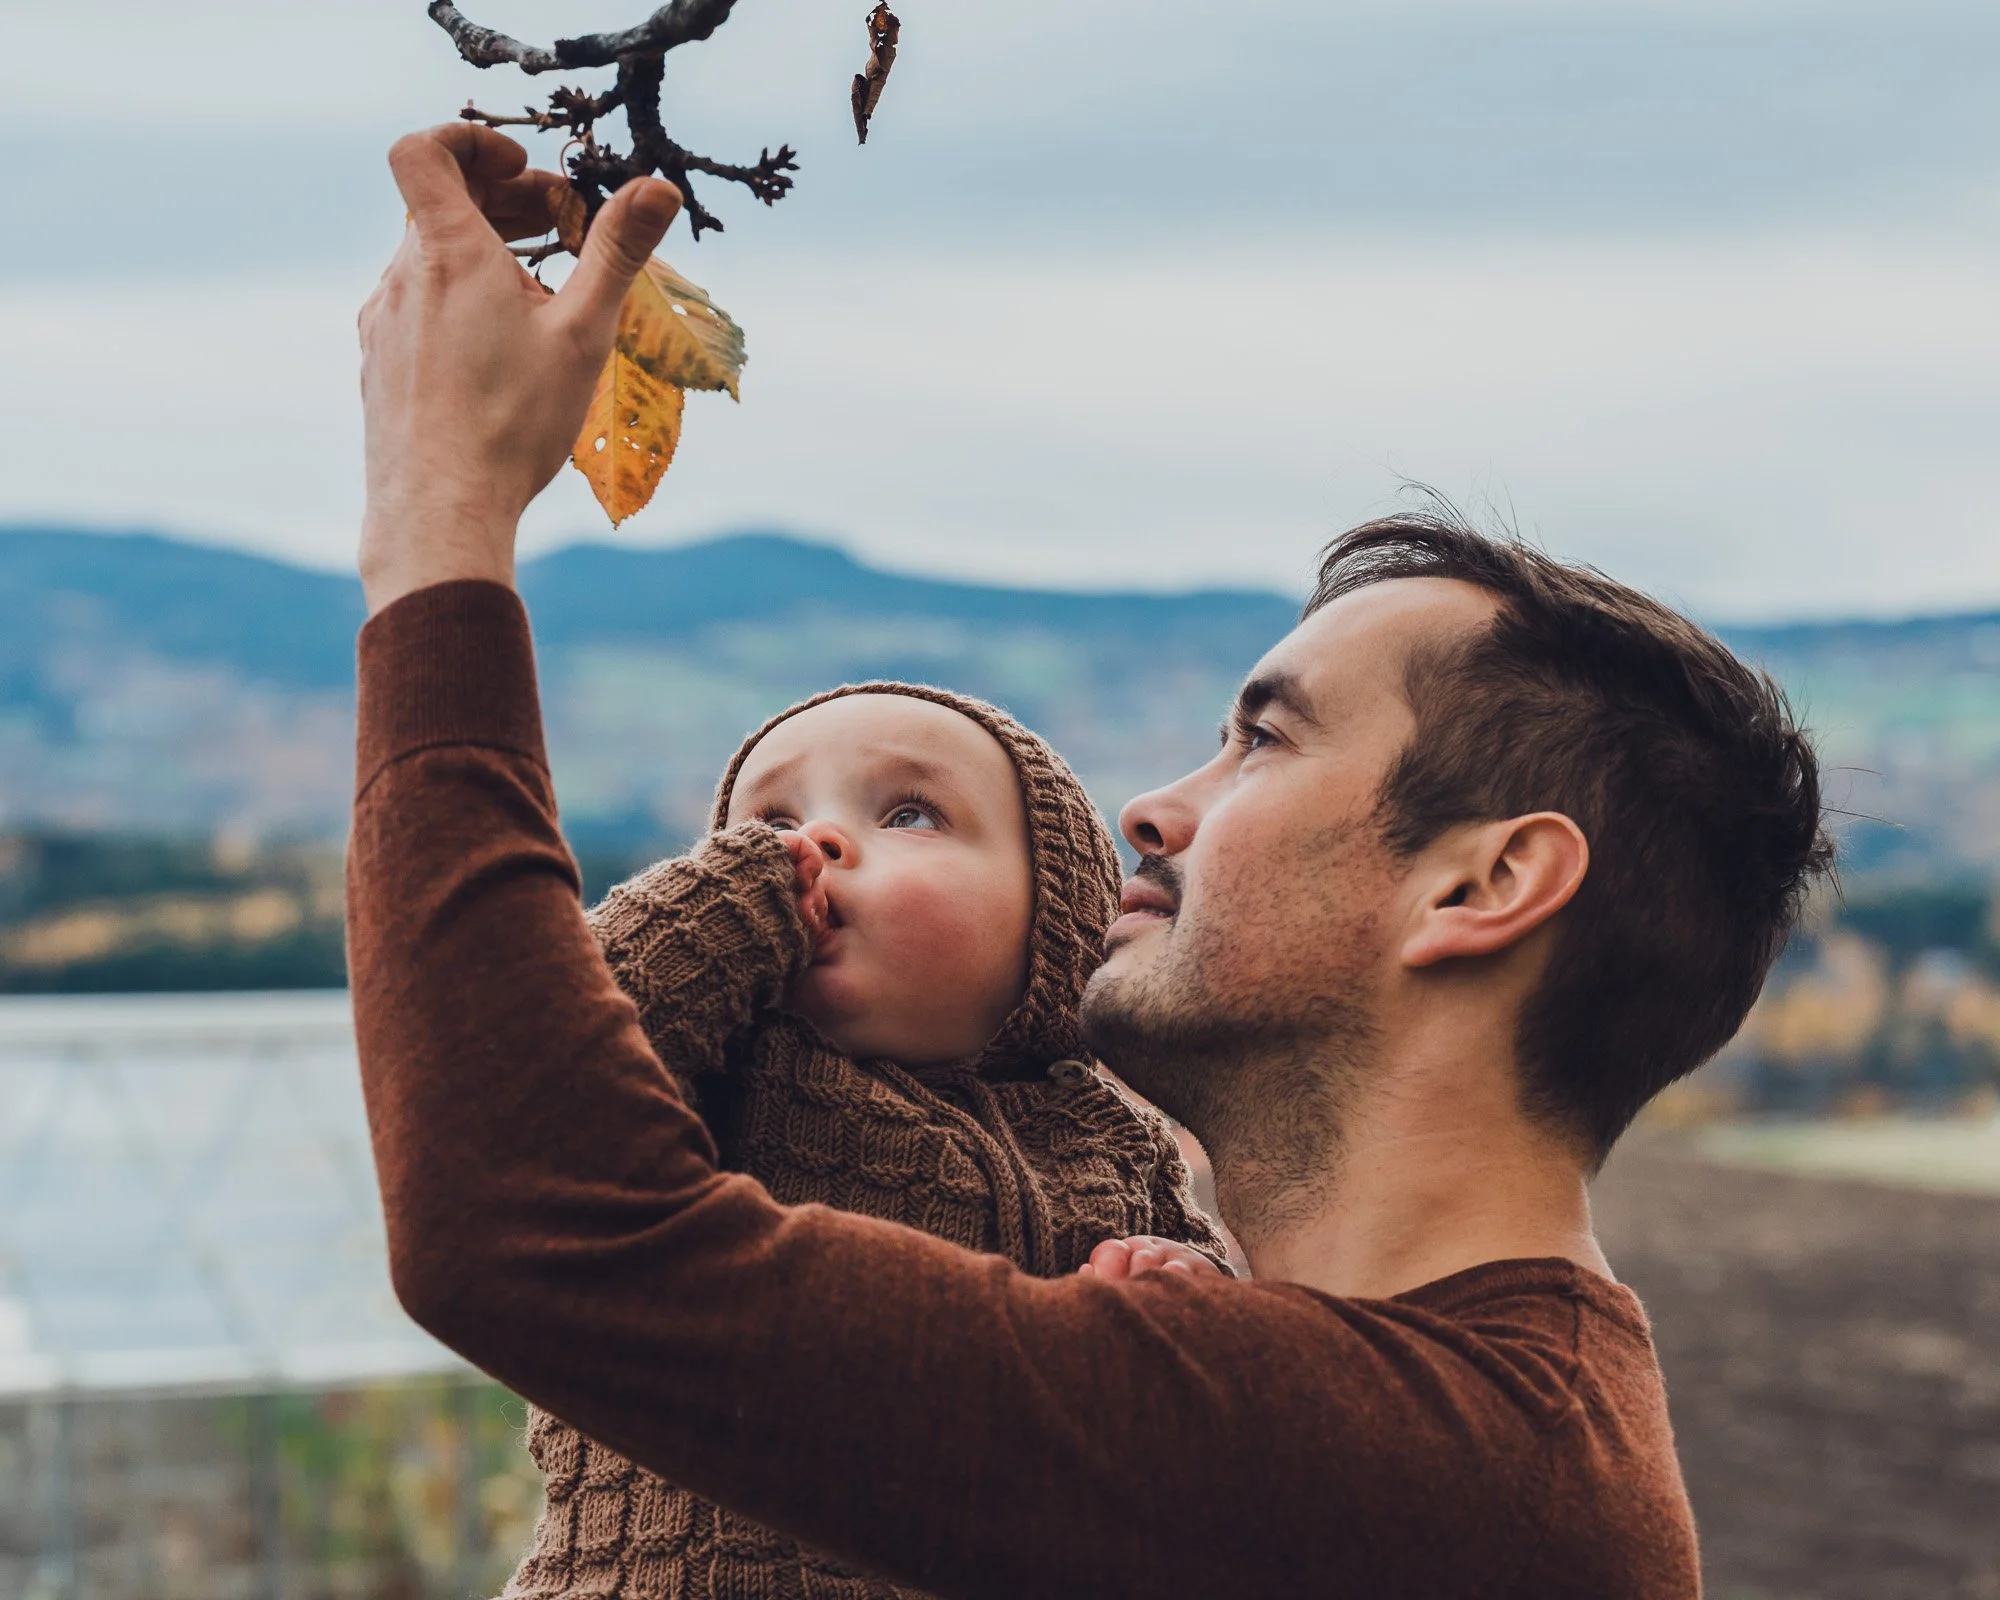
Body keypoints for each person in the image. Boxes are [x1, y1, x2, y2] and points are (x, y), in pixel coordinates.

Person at [350, 125, 1832, 1597]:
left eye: (1264, 741)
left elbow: (542, 1226)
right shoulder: (1460, 1416)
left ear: (1483, 884)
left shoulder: (1414, 1456)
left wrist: (441, 513)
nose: (1153, 810)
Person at [506, 681, 1222, 1599]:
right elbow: (542, 1048)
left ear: (1056, 907)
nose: (817, 842)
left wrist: (1183, 1293)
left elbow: (1217, 1378)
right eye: (767, 823)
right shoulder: (712, 1080)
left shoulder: (1111, 1129)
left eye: (909, 813)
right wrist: (725, 898)